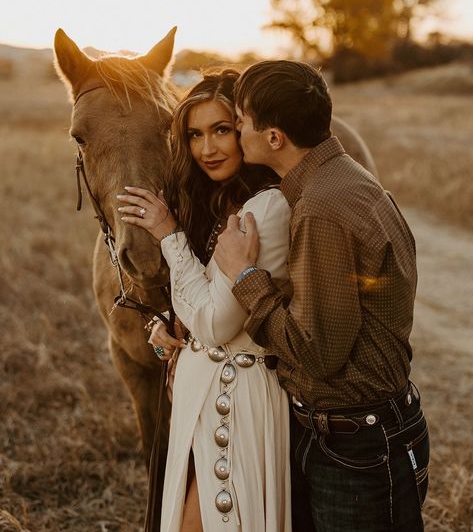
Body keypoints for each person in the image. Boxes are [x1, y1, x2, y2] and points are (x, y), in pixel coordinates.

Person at [213, 60, 430, 532]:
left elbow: (318, 352)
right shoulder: (343, 176)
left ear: (274, 138)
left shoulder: (319, 209)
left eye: (242, 120)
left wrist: (245, 274)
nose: (236, 129)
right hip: (368, 434)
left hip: (356, 448)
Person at [117, 70, 292, 532]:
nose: (207, 149)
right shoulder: (212, 204)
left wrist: (167, 234)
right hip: (205, 396)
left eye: (221, 131)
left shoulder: (264, 210)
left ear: (246, 130)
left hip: (236, 403)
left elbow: (217, 325)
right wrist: (172, 333)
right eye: (194, 135)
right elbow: (200, 309)